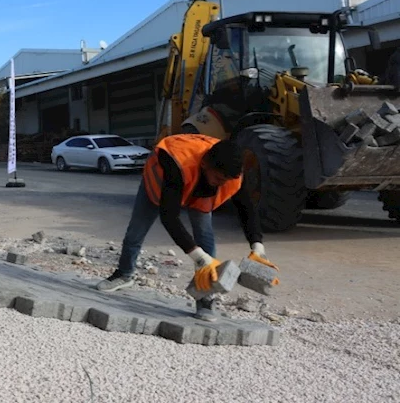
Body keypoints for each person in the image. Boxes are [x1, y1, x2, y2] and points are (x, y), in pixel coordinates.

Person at [95, 133, 278, 321]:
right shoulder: (176, 162)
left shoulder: (231, 171)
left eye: (225, 180)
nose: (222, 183)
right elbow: (169, 217)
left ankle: (205, 297)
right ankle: (124, 274)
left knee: (205, 237)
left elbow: (246, 208)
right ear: (206, 164)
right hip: (159, 185)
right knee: (136, 231)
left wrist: (258, 247)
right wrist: (199, 258)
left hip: (199, 188)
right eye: (218, 178)